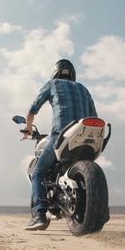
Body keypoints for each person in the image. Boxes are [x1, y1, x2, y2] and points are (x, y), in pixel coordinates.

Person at [22, 59, 97, 231]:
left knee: (38, 174)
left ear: (55, 72)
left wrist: (28, 129)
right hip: (86, 134)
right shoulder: (84, 89)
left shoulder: (52, 84)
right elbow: (94, 114)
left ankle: (40, 215)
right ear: (73, 74)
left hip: (61, 134)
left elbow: (32, 110)